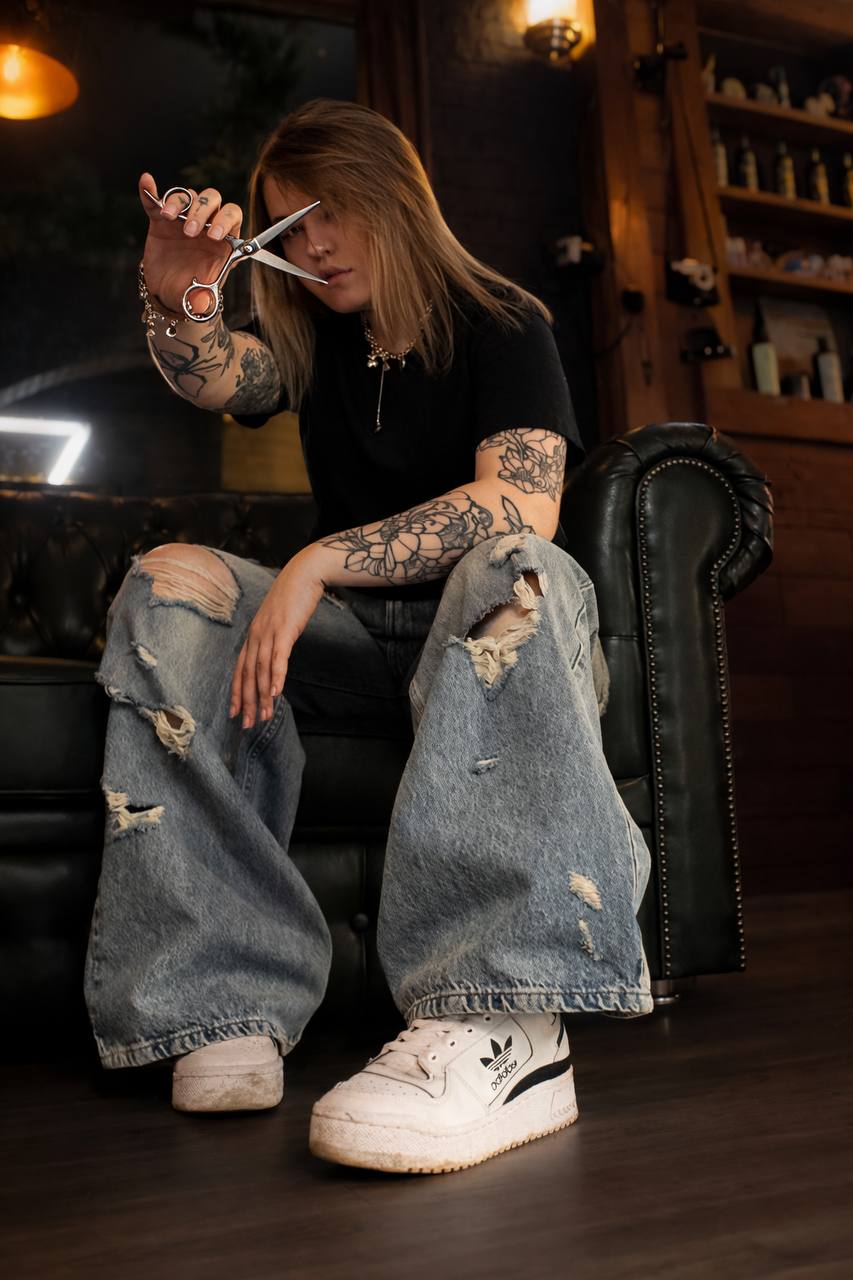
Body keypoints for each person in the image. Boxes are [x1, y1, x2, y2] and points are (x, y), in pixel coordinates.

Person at [86, 98, 651, 1175]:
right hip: (355, 651)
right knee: (172, 584)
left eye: (333, 213)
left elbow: (521, 504)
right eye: (291, 227)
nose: (314, 246)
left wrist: (316, 561)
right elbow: (219, 374)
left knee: (508, 566)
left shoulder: (503, 321)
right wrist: (174, 299)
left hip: (485, 633)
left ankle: (507, 1018)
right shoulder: (316, 340)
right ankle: (220, 1002)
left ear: (394, 200)